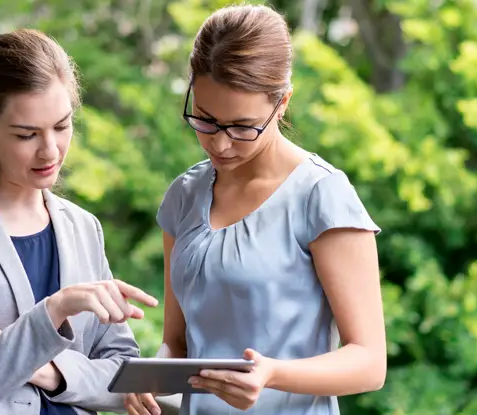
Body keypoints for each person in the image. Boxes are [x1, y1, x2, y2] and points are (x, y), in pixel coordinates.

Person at [124, 4, 387, 415]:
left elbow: (370, 363)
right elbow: (176, 342)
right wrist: (152, 380)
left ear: (282, 103)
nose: (220, 144)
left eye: (243, 127)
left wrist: (272, 374)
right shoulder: (184, 195)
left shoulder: (321, 195)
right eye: (206, 120)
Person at [0, 29, 159, 415]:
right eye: (26, 134)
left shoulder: (83, 227)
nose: (50, 150)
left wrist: (38, 365)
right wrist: (54, 311)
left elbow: (124, 381)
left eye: (62, 126)